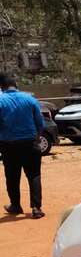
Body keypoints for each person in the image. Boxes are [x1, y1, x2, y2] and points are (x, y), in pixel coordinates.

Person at [0, 72, 45, 218]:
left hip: (9, 145)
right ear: (16, 85)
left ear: (2, 86)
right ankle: (36, 208)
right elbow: (40, 122)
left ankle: (15, 205)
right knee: (34, 175)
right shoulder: (30, 99)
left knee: (12, 176)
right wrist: (37, 138)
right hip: (30, 143)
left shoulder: (0, 100)